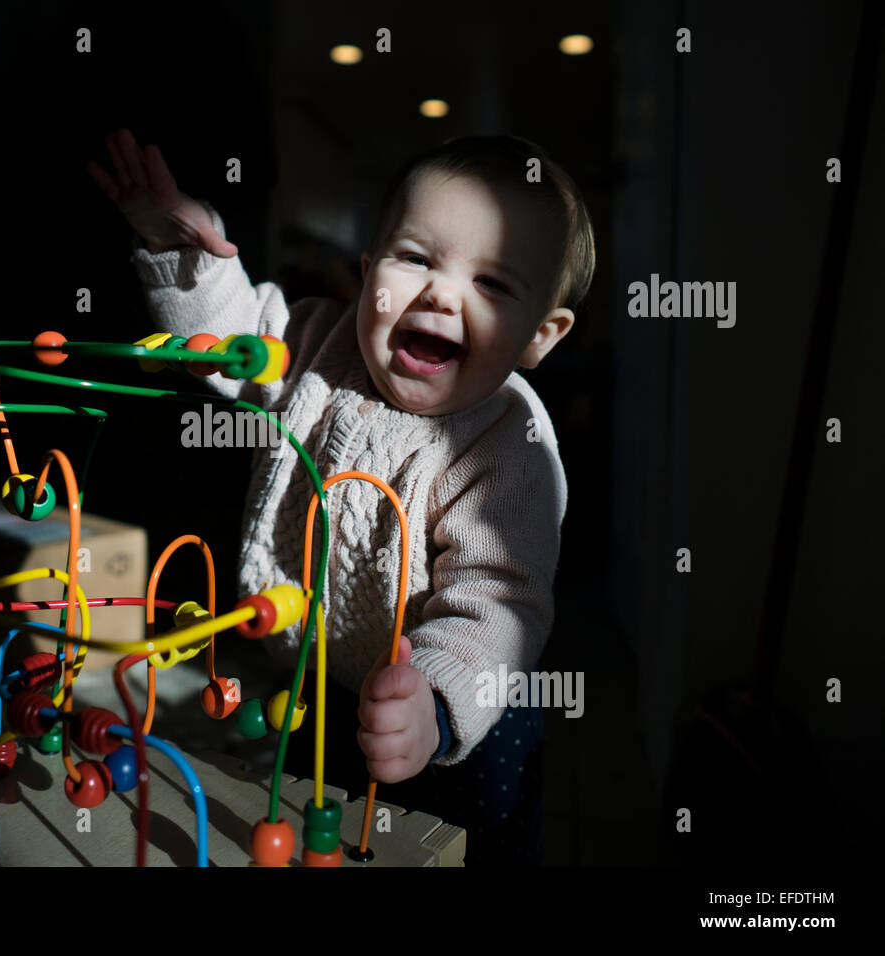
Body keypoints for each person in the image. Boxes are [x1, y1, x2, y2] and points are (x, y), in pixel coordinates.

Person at [87, 128, 594, 864]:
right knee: (317, 829)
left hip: (457, 714)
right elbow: (230, 340)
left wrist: (437, 704)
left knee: (454, 850)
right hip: (319, 681)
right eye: (415, 259)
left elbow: (501, 602)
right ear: (369, 272)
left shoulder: (511, 444)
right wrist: (183, 254)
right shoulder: (323, 341)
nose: (441, 293)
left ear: (539, 337)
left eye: (492, 284)